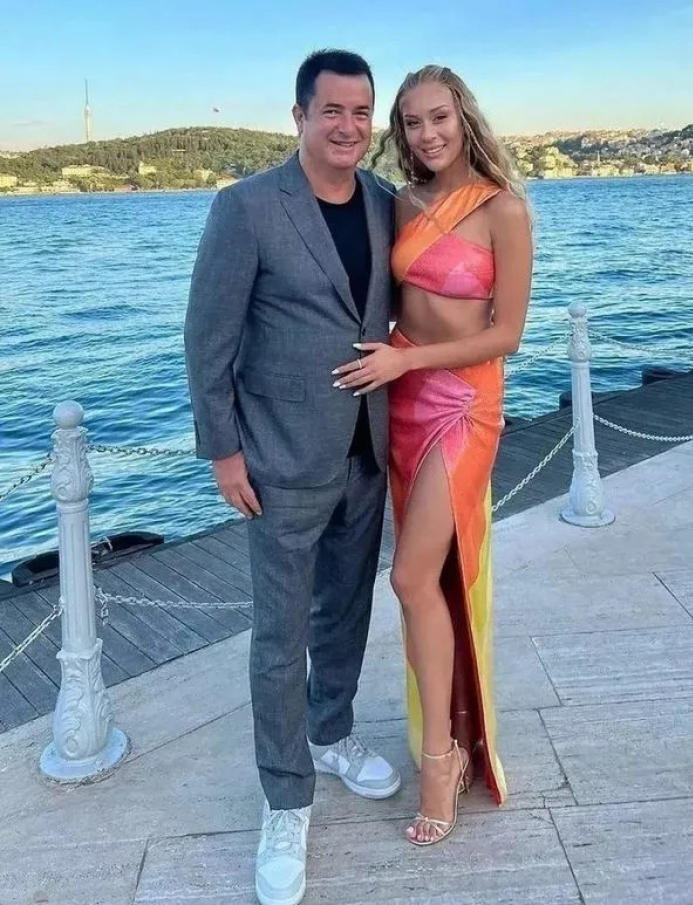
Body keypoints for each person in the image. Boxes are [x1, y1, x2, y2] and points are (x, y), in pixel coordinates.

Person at [184, 49, 401, 905]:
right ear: (300, 115)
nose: (348, 126)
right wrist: (224, 452)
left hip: (366, 451)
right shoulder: (246, 207)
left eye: (361, 111)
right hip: (278, 459)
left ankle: (331, 730)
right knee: (280, 638)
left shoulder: (384, 202)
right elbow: (208, 338)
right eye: (332, 110)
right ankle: (285, 798)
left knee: (347, 610)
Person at [333, 65, 532, 845]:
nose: (426, 134)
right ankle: (444, 733)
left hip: (462, 404)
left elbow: (506, 333)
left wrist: (405, 361)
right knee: (427, 581)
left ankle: (441, 759)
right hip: (402, 400)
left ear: (463, 117)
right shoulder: (399, 202)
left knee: (411, 575)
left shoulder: (502, 208)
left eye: (438, 117)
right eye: (412, 122)